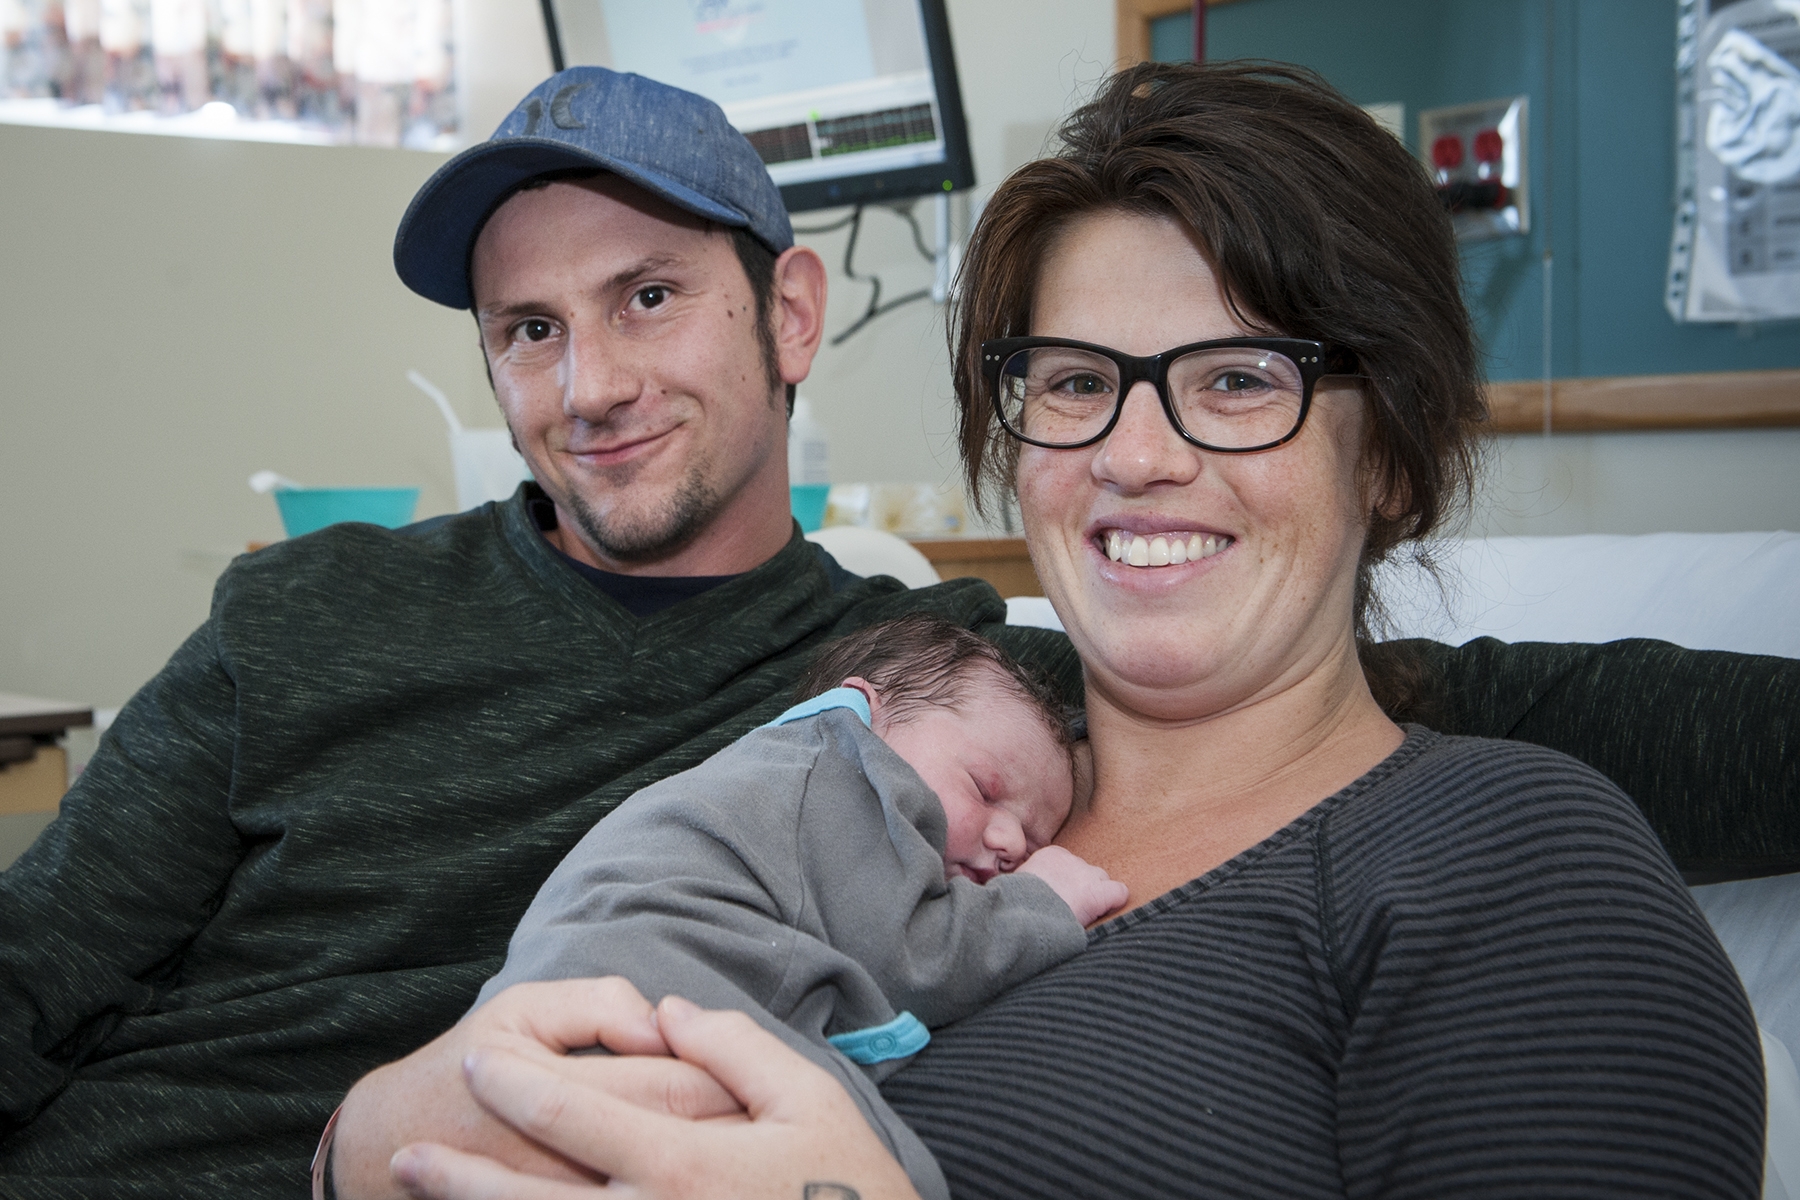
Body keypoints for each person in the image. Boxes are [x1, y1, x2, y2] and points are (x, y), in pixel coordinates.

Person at [2, 58, 1786, 1200]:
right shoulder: (934, 729)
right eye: (1074, 383)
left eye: (1238, 377)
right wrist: (344, 1147)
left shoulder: (930, 696)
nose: (592, 383)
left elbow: (1428, 701)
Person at [469, 614, 1126, 1200]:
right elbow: (912, 956)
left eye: (1037, 837)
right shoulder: (841, 769)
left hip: (552, 1034)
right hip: (623, 1007)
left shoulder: (771, 799)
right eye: (985, 788)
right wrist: (1042, 901)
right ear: (864, 709)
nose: (1012, 843)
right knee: (872, 1158)